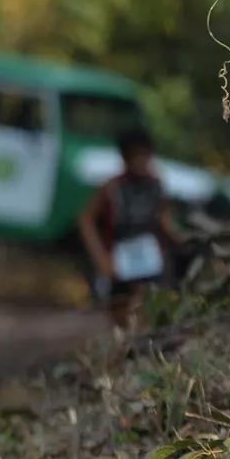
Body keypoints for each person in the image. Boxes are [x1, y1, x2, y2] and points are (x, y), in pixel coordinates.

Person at [76, 125, 181, 331]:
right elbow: (85, 221)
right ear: (125, 157)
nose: (141, 161)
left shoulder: (155, 185)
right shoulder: (112, 187)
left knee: (147, 314)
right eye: (136, 156)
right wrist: (101, 259)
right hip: (120, 262)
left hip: (151, 262)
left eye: (145, 155)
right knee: (121, 317)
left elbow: (164, 220)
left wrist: (179, 240)